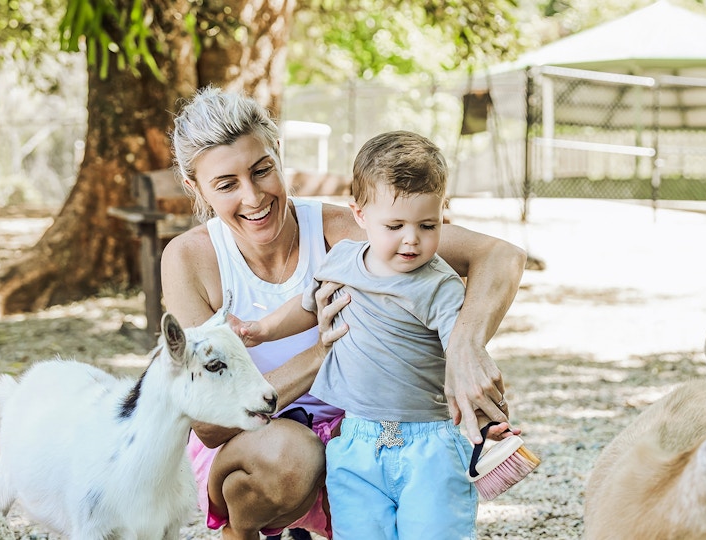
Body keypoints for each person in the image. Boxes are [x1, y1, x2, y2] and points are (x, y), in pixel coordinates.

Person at [162, 87, 526, 540]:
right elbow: (210, 424)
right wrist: (321, 354)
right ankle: (241, 530)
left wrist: (465, 349)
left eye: (262, 170)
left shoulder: (348, 230)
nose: (253, 197)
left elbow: (501, 256)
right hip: (260, 449)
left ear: (278, 154)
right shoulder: (190, 259)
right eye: (226, 184)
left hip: (361, 432)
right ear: (195, 188)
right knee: (290, 458)